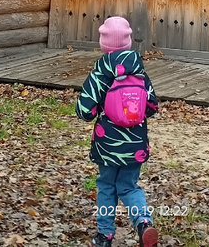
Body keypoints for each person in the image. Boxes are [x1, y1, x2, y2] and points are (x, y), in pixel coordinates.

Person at [76, 16, 159, 247]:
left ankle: (105, 235)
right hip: (136, 146)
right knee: (129, 186)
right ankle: (143, 222)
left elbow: (85, 111)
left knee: (106, 185)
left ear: (103, 44)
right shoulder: (140, 74)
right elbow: (152, 107)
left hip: (107, 146)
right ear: (128, 42)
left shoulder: (99, 74)